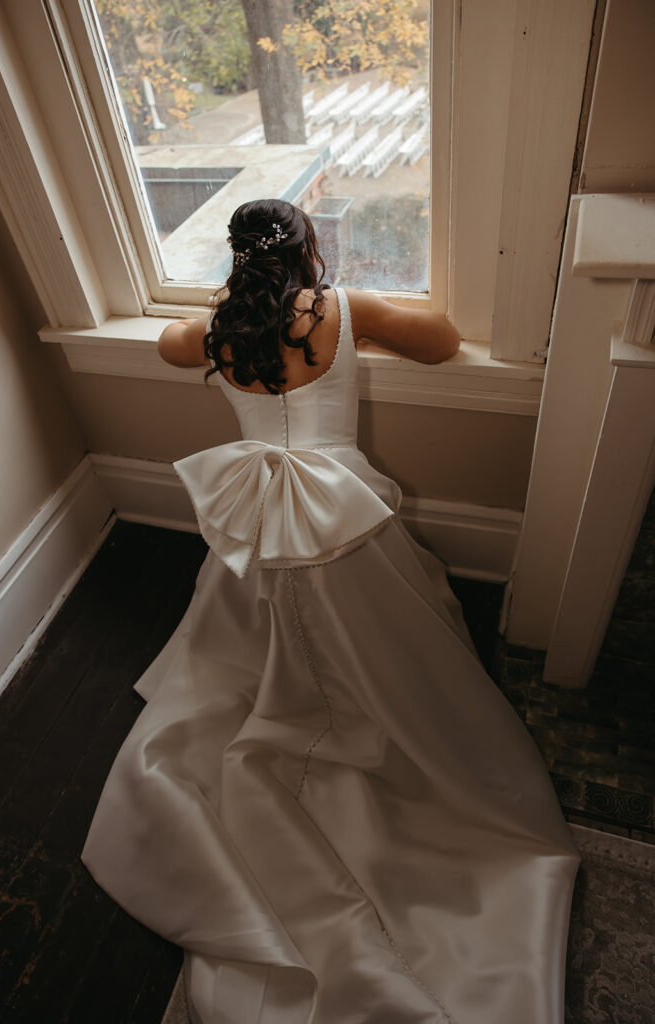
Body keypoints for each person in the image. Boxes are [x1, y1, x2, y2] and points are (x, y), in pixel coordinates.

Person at [81, 199, 580, 1024]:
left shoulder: (215, 333)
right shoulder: (343, 311)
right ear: (308, 249)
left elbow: (169, 348)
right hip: (336, 500)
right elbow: (445, 340)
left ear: (237, 260)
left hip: (254, 511)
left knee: (242, 610)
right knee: (388, 618)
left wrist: (225, 306)